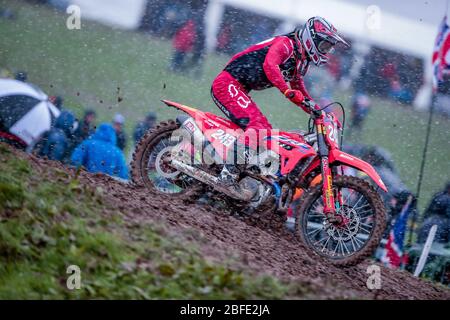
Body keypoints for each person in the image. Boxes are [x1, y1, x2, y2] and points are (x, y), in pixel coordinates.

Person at [210, 16, 349, 179]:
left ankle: (239, 170)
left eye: (329, 48)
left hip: (239, 87)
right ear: (312, 39)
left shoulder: (300, 60)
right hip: (227, 83)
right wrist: (286, 91)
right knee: (256, 127)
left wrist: (322, 113)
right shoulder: (287, 44)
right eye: (325, 45)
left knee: (267, 132)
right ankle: (227, 175)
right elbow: (269, 65)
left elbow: (299, 89)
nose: (326, 51)